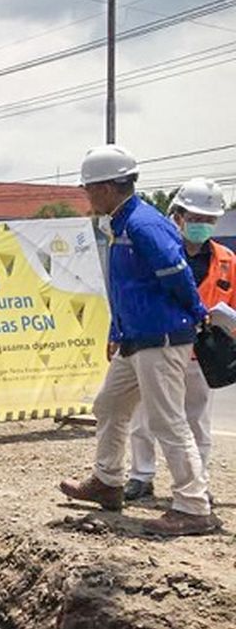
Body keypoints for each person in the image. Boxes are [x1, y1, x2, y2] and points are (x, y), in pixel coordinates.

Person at [60, 145, 218, 536]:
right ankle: (108, 482)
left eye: (89, 188)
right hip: (136, 339)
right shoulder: (122, 222)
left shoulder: (142, 225)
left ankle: (194, 506)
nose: (87, 195)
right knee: (109, 405)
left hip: (161, 339)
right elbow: (127, 287)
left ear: (109, 187)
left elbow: (178, 274)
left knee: (168, 421)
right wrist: (117, 330)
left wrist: (197, 315)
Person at [125, 177, 235, 502]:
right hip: (159, 347)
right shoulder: (156, 250)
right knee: (144, 418)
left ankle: (197, 482)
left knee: (197, 422)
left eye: (208, 219)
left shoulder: (227, 260)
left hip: (203, 356)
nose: (201, 225)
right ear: (178, 214)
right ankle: (141, 476)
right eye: (195, 217)